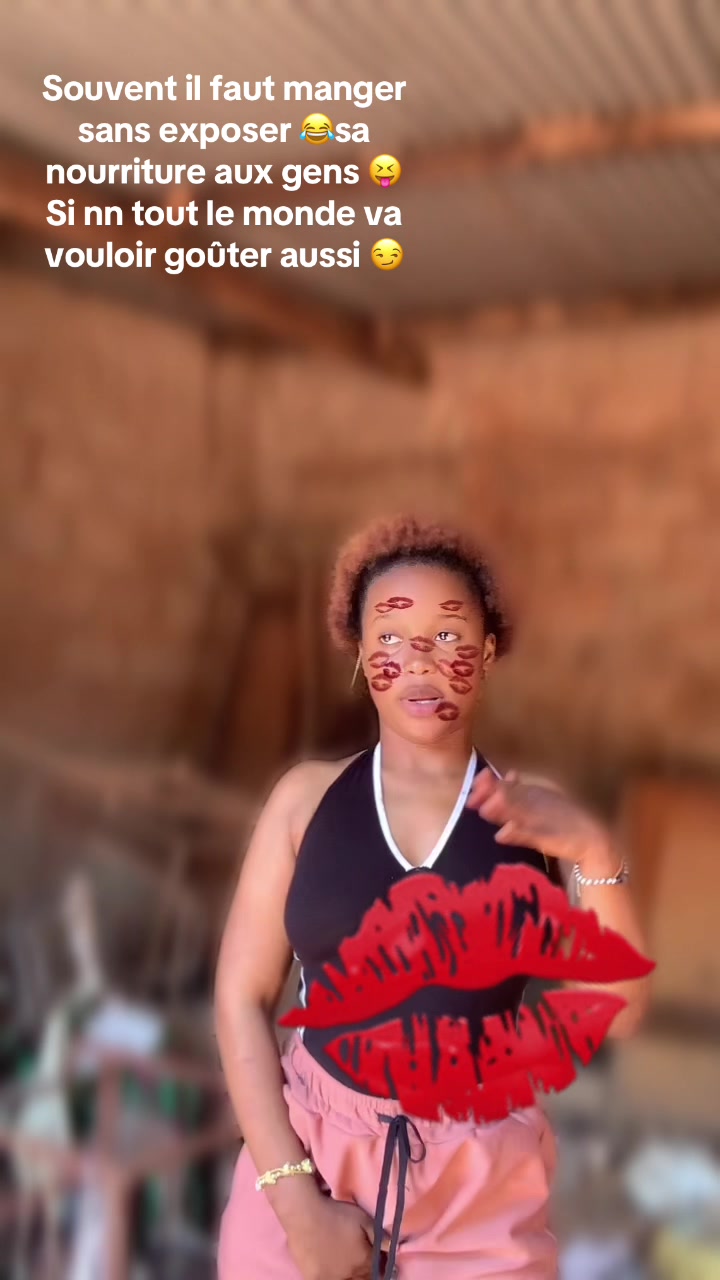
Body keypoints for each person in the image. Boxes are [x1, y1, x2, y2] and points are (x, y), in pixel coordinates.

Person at [215, 513, 651, 1280]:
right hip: (310, 1150)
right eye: (391, 636)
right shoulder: (306, 802)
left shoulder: (531, 816)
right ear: (360, 654)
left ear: (487, 652)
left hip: (479, 1185)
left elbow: (617, 1010)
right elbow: (239, 998)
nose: (419, 659)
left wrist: (595, 850)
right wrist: (296, 1205)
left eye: (448, 634)